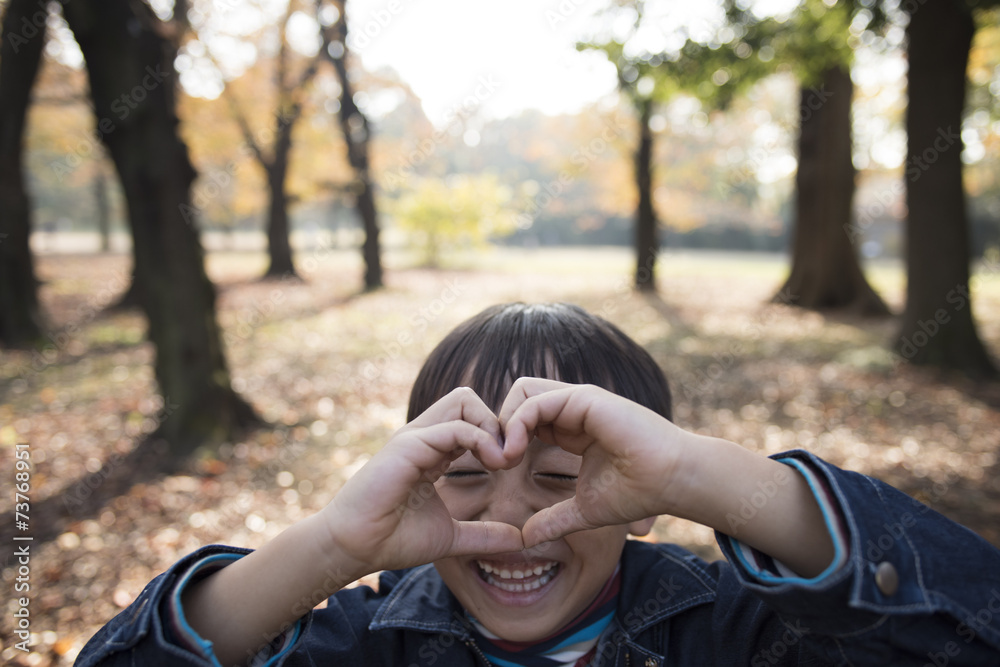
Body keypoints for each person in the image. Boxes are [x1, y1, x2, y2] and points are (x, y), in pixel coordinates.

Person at [77, 302, 1000, 666]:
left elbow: (971, 625)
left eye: (561, 477)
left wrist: (693, 471)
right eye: (466, 476)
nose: (515, 518)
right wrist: (330, 545)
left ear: (643, 502)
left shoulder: (740, 634)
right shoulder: (367, 643)